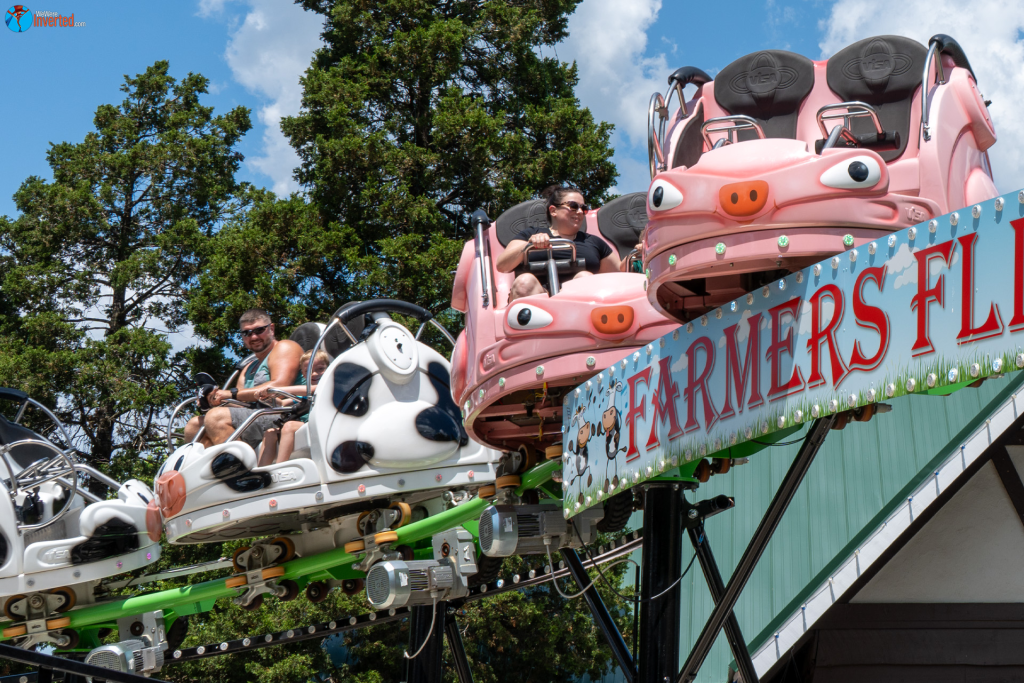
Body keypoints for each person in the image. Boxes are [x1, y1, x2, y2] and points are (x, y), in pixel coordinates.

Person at [183, 309, 304, 450]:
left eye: (259, 330)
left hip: (285, 413)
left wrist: (230, 394)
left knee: (216, 417)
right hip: (256, 416)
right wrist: (215, 400)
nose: (253, 337)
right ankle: (220, 466)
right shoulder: (248, 368)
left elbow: (279, 388)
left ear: (271, 329)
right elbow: (241, 404)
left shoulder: (285, 347)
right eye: (247, 333)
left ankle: (236, 465)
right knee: (194, 425)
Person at [495, 185, 621, 300]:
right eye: (573, 206)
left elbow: (620, 274)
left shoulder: (593, 242)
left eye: (583, 208)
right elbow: (502, 265)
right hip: (537, 302)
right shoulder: (530, 235)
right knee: (524, 282)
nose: (580, 212)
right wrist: (529, 245)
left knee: (584, 277)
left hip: (579, 305)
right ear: (553, 210)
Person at [255, 349, 330, 466]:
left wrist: (278, 390)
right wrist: (266, 398)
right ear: (304, 374)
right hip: (305, 423)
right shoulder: (303, 394)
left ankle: (280, 467)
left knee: (289, 426)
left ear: (328, 369)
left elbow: (311, 390)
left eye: (320, 369)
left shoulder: (326, 385)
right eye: (309, 371)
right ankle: (262, 472)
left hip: (320, 423)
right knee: (270, 432)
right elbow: (282, 403)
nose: (315, 374)